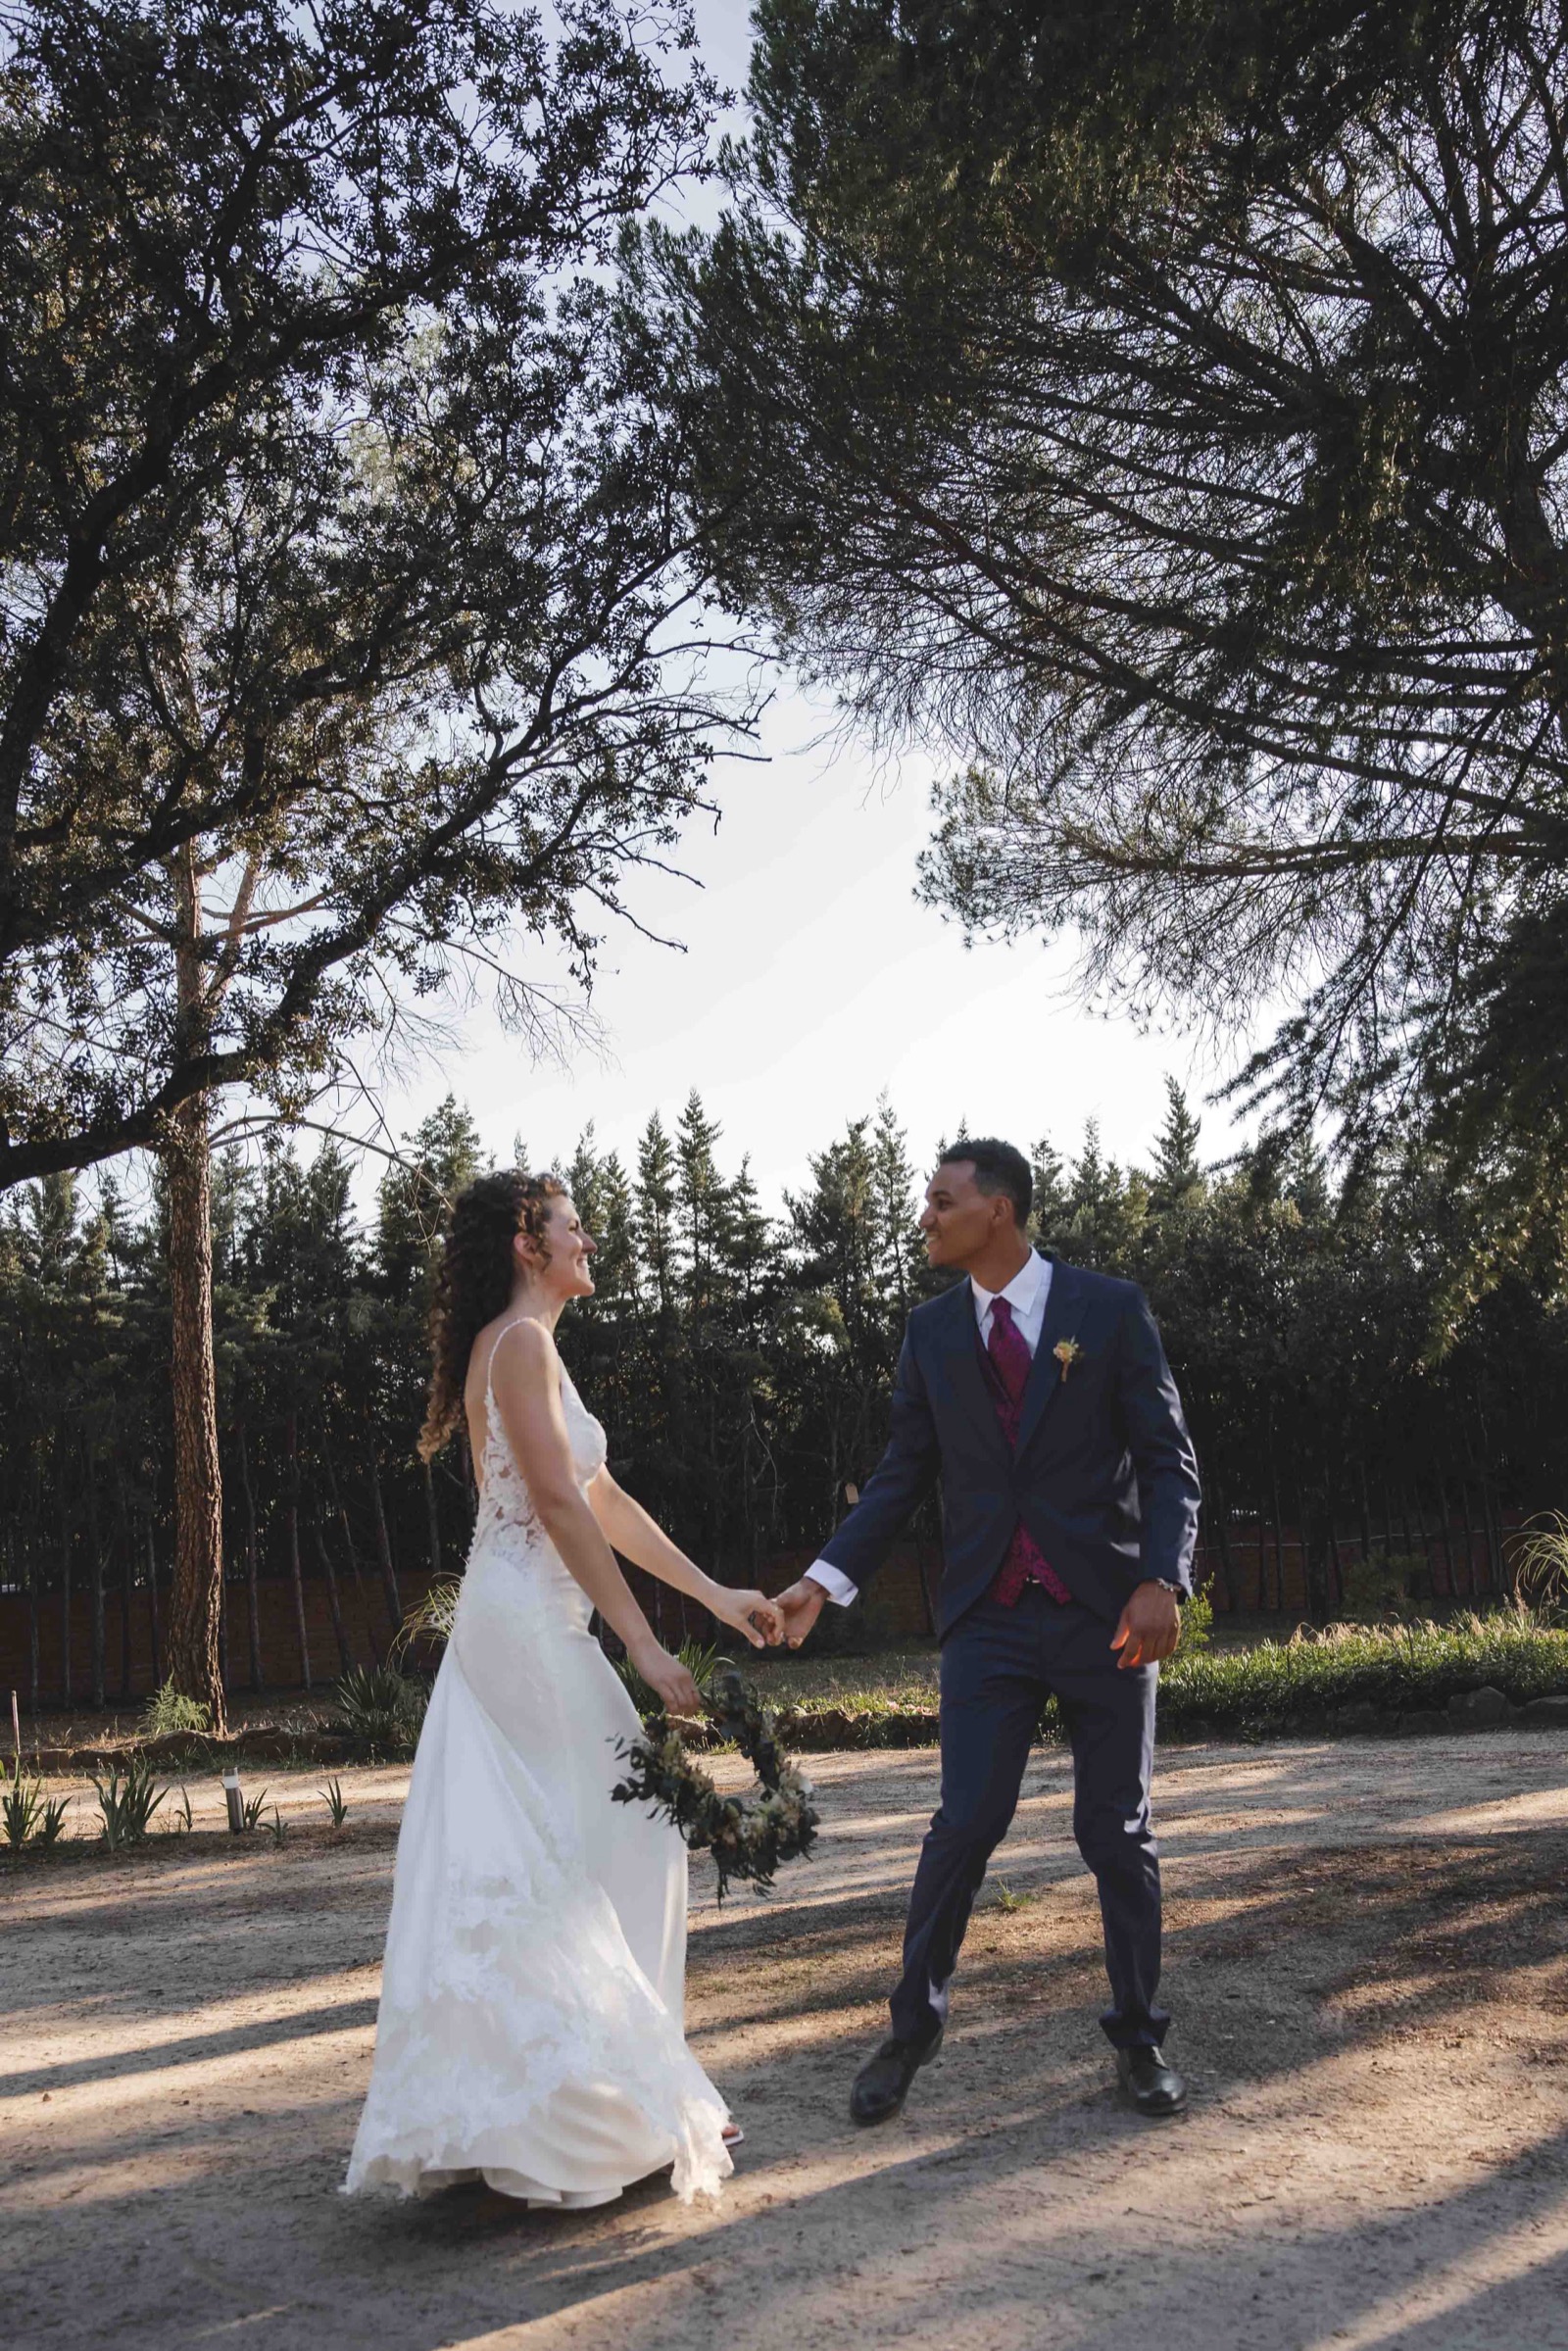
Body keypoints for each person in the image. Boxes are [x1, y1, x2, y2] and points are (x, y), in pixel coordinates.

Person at [345, 1169, 783, 2208]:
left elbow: (601, 1496)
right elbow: (550, 1498)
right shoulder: (520, 1344)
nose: (589, 1237)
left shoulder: (529, 1347)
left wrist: (715, 1596)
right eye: (571, 1225)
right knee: (622, 1832)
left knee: (588, 1839)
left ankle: (582, 2093)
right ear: (525, 1243)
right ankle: (605, 2099)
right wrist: (639, 1641)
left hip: (532, 1614)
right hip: (527, 1622)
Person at [773, 1140, 1200, 2125]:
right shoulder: (929, 1332)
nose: (924, 1217)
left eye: (939, 1200)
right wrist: (820, 1578)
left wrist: (1159, 1578)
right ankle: (909, 2031)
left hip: (1106, 1616)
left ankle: (1139, 2037)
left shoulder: (1108, 1306)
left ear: (998, 1209)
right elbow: (900, 1474)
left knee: (1115, 1830)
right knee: (963, 1820)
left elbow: (1168, 1458)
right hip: (988, 1621)